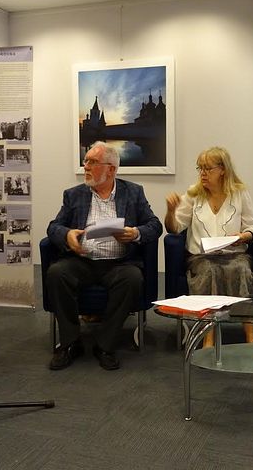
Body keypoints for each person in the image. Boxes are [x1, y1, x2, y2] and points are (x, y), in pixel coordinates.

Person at [46, 141, 162, 371]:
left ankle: (105, 345)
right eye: (86, 161)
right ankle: (70, 342)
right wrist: (67, 234)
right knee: (56, 273)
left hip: (119, 263)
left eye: (92, 162)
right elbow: (53, 227)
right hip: (82, 261)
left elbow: (155, 225)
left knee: (132, 279)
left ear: (111, 169)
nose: (86, 166)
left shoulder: (133, 192)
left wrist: (135, 233)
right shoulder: (74, 195)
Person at [165, 146, 253, 347]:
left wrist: (243, 236)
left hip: (234, 253)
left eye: (208, 169)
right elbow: (174, 228)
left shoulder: (239, 193)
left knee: (241, 270)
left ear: (223, 170)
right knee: (210, 271)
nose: (203, 174)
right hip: (202, 257)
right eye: (200, 168)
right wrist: (171, 212)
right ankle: (208, 337)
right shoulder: (193, 194)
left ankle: (251, 336)